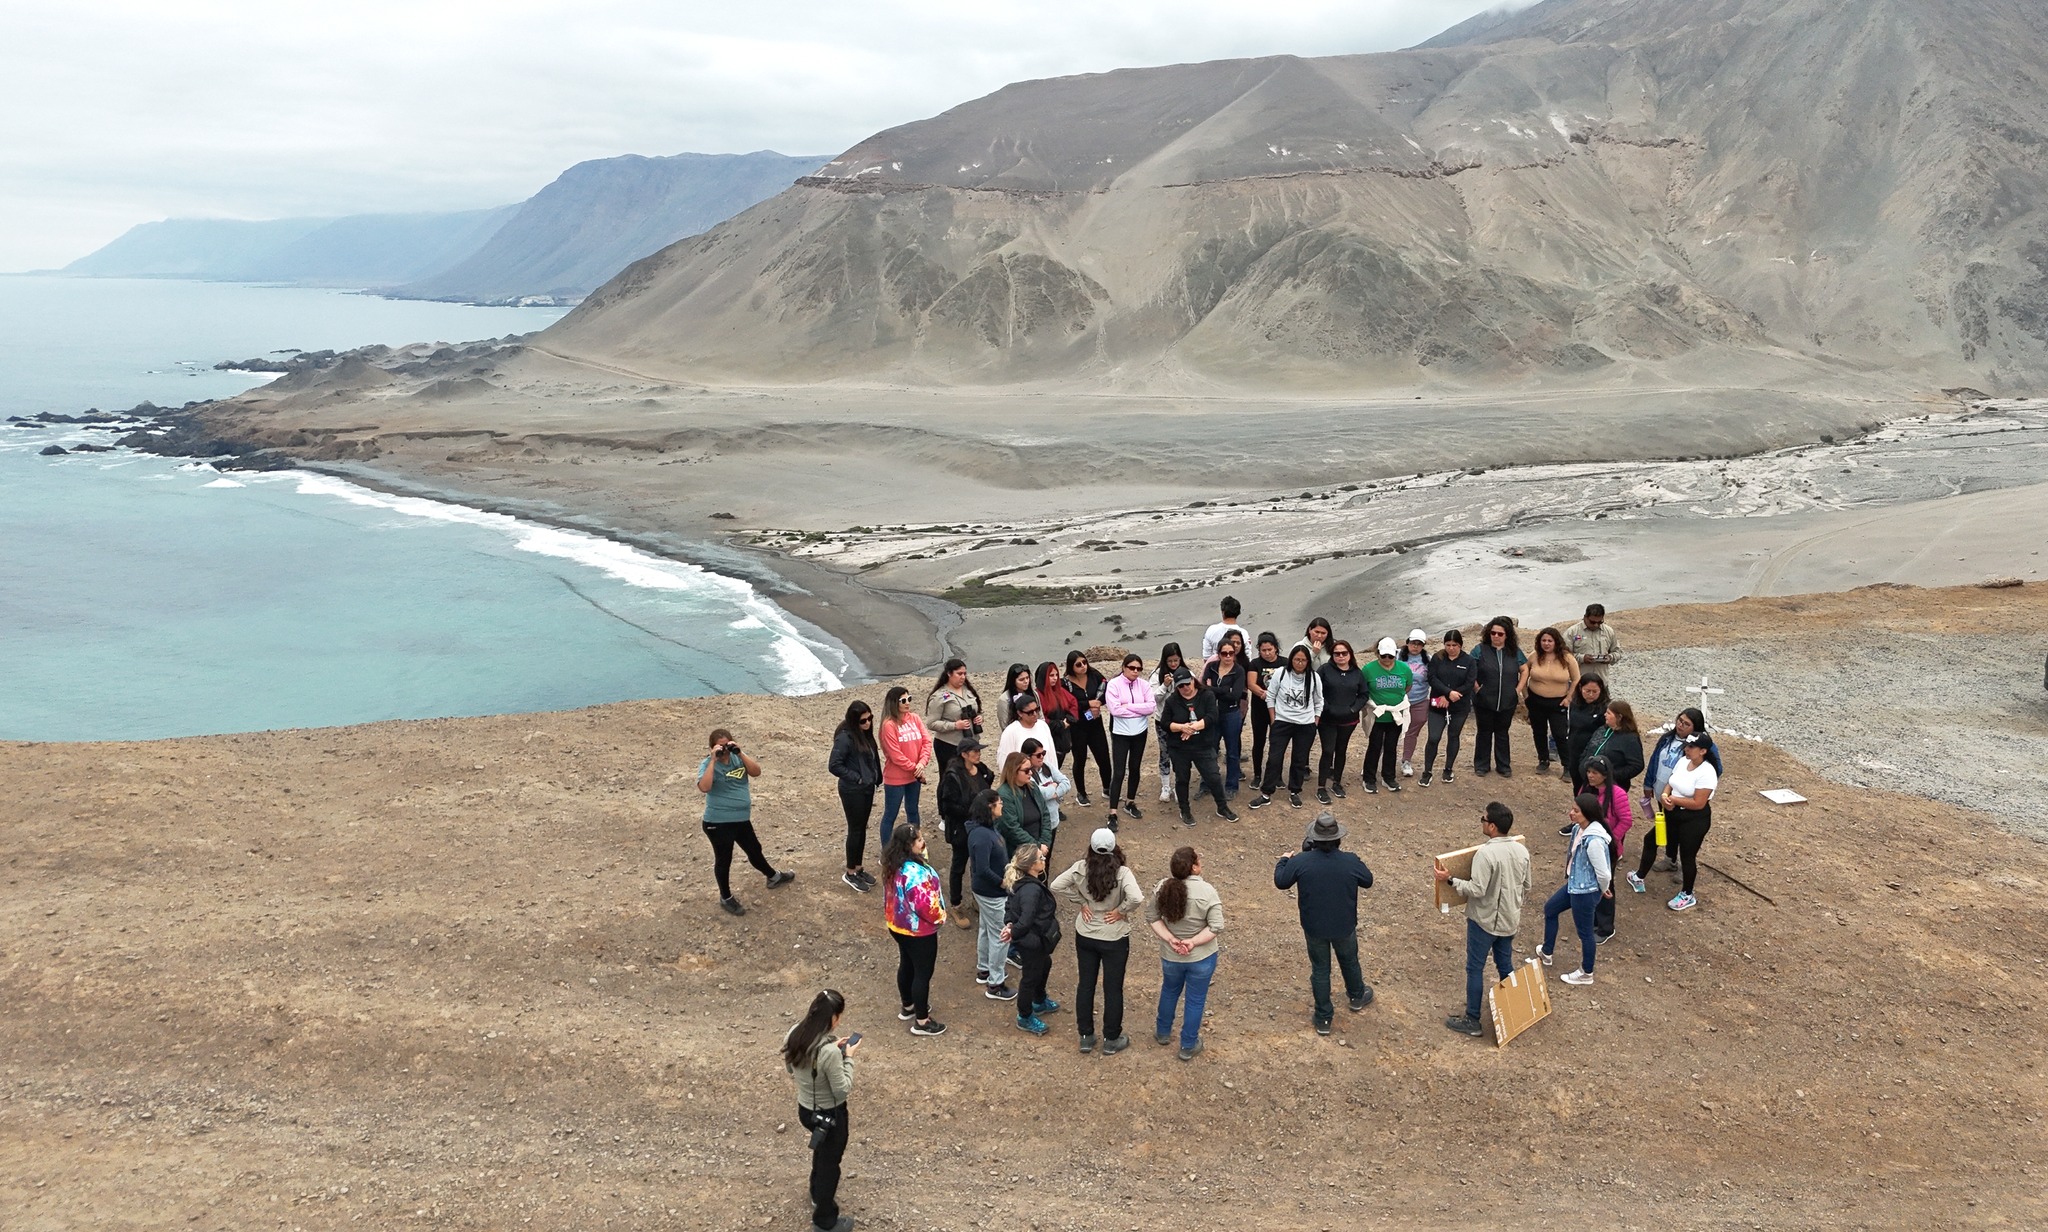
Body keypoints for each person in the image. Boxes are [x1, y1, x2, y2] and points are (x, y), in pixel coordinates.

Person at [1435, 801, 1533, 1037]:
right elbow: (1527, 885)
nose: (1482, 822)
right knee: (1505, 965)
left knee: (1475, 967)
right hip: (1510, 919)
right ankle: (1515, 1012)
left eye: (1483, 819)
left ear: (1491, 827)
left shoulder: (1486, 854)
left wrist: (1450, 880)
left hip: (1484, 921)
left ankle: (1472, 1019)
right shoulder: (1522, 851)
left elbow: (1477, 890)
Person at [1273, 811, 1376, 1035]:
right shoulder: (1350, 861)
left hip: (1314, 927)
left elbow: (1281, 882)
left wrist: (1283, 860)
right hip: (1344, 925)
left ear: (1314, 840)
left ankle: (1323, 1018)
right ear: (1338, 838)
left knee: (1320, 970)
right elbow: (1368, 881)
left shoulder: (1301, 862)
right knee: (1349, 960)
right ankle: (1357, 996)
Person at [1051, 828, 1144, 1055]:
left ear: (1091, 848)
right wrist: (1121, 911)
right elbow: (1137, 898)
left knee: (1086, 984)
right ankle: (1111, 1038)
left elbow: (1055, 885)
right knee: (1113, 989)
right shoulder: (1122, 873)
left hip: (1086, 933)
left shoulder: (1081, 868)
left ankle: (1086, 1036)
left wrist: (1081, 901)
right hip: (1114, 936)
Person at [696, 728, 795, 917]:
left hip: (741, 819)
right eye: (720, 746)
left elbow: (756, 772)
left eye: (727, 745)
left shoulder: (738, 758)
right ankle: (725, 897)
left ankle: (773, 877)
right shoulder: (707, 764)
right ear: (712, 747)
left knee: (754, 849)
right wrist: (713, 759)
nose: (724, 749)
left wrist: (740, 752)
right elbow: (704, 787)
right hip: (718, 822)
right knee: (724, 859)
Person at [782, 989, 858, 1232]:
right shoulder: (830, 1053)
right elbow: (842, 1090)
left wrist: (832, 1048)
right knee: (830, 1165)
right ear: (833, 1018)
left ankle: (816, 1192)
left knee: (822, 1152)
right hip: (831, 1114)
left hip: (806, 1110)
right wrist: (847, 1057)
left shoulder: (795, 1033)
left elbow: (791, 1070)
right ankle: (825, 1221)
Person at [1147, 845, 1225, 1062]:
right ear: (1194, 868)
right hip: (1201, 957)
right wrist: (1192, 942)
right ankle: (1188, 1045)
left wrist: (1170, 938)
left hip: (1171, 955)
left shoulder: (1163, 887)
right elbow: (1216, 926)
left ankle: (1163, 1032)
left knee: (1169, 991)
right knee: (1195, 1000)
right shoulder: (1208, 891)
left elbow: (1152, 917)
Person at [1537, 793, 1613, 987]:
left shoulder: (1594, 840)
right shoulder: (1580, 829)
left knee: (1585, 933)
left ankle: (1587, 973)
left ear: (1587, 813)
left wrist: (1602, 889)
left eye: (1576, 811)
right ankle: (1546, 952)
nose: (1571, 813)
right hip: (1575, 885)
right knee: (1550, 909)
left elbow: (1604, 873)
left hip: (1584, 892)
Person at [1639, 708, 1722, 876]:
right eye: (1680, 720)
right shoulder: (1668, 738)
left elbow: (1716, 769)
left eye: (1686, 724)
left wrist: (1696, 786)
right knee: (1669, 828)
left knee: (1686, 838)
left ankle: (1685, 868)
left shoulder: (1705, 746)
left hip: (1686, 801)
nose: (1681, 725)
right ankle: (1670, 859)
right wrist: (1650, 785)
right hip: (1665, 793)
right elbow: (1656, 760)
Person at [882, 825, 947, 1036]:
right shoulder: (915, 874)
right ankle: (922, 1020)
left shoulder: (893, 864)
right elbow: (925, 906)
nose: (923, 842)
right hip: (920, 931)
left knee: (907, 964)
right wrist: (941, 916)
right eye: (919, 840)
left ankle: (908, 1005)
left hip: (898, 926)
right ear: (910, 845)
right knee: (923, 973)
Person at [1160, 667, 1240, 825]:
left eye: (1188, 683)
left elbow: (1212, 716)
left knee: (1214, 777)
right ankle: (1185, 810)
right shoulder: (1172, 701)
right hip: (1180, 747)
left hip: (1203, 745)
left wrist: (1194, 727)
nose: (1185, 688)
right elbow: (1165, 723)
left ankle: (1222, 807)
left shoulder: (1206, 695)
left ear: (1193, 680)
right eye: (1181, 686)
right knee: (1182, 779)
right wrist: (1182, 727)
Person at [1652, 734, 1719, 912]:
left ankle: (1688, 893)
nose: (1686, 749)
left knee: (1688, 856)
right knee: (1666, 842)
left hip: (1694, 819)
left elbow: (1699, 803)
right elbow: (1671, 781)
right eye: (1686, 746)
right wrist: (1666, 795)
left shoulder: (1707, 772)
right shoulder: (1683, 761)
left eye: (1691, 747)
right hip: (1674, 813)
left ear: (1703, 751)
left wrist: (1673, 799)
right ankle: (1667, 862)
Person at [1250, 643, 1322, 809]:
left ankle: (1294, 791)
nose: (1300, 663)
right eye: (1296, 659)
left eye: (1303, 660)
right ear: (1291, 659)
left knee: (1299, 759)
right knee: (1274, 758)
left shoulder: (1314, 677)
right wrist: (1273, 719)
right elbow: (1271, 696)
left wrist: (1315, 721)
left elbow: (1319, 701)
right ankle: (1266, 792)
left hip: (1305, 724)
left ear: (1308, 662)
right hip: (1282, 722)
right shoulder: (1281, 674)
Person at [1000, 842, 1062, 1034]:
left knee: (1045, 965)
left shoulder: (1020, 883)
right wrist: (1014, 930)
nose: (1044, 860)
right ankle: (1025, 1016)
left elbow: (1009, 907)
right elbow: (1026, 919)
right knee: (1030, 976)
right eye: (1040, 858)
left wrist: (1010, 924)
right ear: (1031, 865)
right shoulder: (1031, 890)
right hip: (1032, 941)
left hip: (1033, 940)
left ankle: (1039, 1000)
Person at [935, 735, 993, 926]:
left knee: (978, 864)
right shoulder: (953, 776)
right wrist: (972, 811)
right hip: (961, 829)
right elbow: (948, 806)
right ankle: (956, 904)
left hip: (980, 827)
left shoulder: (981, 769)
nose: (979, 754)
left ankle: (977, 897)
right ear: (964, 754)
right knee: (959, 866)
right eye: (975, 751)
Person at [966, 789, 1017, 1002]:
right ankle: (995, 983)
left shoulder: (984, 830)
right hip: (992, 893)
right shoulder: (982, 836)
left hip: (987, 892)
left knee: (987, 930)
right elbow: (982, 868)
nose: (1002, 805)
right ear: (989, 807)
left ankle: (984, 969)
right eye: (999, 803)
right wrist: (1003, 882)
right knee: (1001, 935)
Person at [827, 701, 883, 894]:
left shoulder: (864, 734)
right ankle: (850, 872)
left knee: (862, 828)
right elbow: (834, 765)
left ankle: (858, 868)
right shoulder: (845, 738)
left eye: (870, 718)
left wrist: (877, 777)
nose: (868, 723)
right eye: (863, 720)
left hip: (866, 788)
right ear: (854, 721)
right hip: (853, 790)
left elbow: (873, 757)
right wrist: (857, 778)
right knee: (855, 829)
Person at [1581, 757, 1635, 943]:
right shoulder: (1586, 790)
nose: (1590, 776)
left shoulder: (1617, 794)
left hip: (1607, 849)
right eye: (1589, 772)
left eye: (1595, 773)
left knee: (1605, 885)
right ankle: (1592, 918)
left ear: (1605, 775)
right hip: (1586, 845)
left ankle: (1605, 927)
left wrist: (1609, 840)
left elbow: (1626, 820)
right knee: (1589, 882)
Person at [1470, 616, 1527, 777]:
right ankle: (1481, 765)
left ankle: (1503, 765)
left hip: (1507, 700)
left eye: (1500, 634)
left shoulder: (1514, 651)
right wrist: (1476, 688)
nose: (1496, 636)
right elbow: (1470, 667)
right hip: (1484, 700)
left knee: (1502, 733)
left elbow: (1525, 669)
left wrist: (1518, 690)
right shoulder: (1480, 649)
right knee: (1484, 732)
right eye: (1493, 633)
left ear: (1507, 635)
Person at [1104, 653, 1156, 824]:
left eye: (1139, 669)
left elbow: (1151, 707)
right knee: (1118, 771)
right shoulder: (1114, 684)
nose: (1135, 672)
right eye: (1132, 668)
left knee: (1135, 768)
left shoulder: (1144, 685)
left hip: (1140, 732)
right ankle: (1113, 812)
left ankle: (1130, 802)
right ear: (1123, 668)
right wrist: (1138, 710)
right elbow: (1115, 710)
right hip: (1121, 733)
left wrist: (1130, 707)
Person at [877, 686, 932, 847]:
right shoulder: (889, 725)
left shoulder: (914, 718)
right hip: (896, 778)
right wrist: (916, 768)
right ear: (894, 703)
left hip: (914, 775)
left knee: (913, 810)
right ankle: (887, 852)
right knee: (891, 814)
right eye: (903, 700)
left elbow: (926, 741)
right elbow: (895, 755)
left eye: (909, 699)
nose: (907, 703)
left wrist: (921, 764)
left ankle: (916, 847)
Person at [1360, 636, 1414, 794]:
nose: (1387, 659)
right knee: (1375, 746)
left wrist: (1394, 702)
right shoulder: (1369, 669)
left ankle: (1388, 777)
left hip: (1395, 714)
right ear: (1377, 654)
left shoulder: (1404, 669)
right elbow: (1364, 689)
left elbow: (1407, 686)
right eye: (1383, 656)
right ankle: (1369, 778)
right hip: (1377, 715)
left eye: (1391, 656)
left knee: (1392, 746)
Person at [1314, 639, 1366, 804]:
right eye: (1337, 653)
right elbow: (1317, 692)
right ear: (1332, 655)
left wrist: (1353, 709)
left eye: (1344, 653)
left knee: (1341, 750)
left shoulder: (1357, 673)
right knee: (1328, 751)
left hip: (1348, 720)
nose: (1341, 656)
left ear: (1350, 654)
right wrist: (1327, 708)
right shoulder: (1324, 670)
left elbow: (1363, 694)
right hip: (1327, 719)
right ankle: (1321, 787)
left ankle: (1337, 782)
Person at [1420, 630, 1474, 787]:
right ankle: (1427, 771)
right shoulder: (1438, 658)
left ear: (1460, 645)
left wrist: (1453, 695)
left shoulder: (1469, 661)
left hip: (1459, 706)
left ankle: (1448, 768)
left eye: (1454, 645)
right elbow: (1432, 678)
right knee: (1433, 738)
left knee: (1453, 736)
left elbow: (1470, 683)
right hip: (1438, 704)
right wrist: (1447, 692)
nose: (1451, 648)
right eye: (1448, 645)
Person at [1524, 626, 1579, 776]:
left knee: (1560, 734)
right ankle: (1543, 760)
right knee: (1538, 732)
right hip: (1535, 700)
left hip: (1558, 703)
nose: (1546, 644)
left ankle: (1567, 766)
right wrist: (1525, 696)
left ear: (1556, 642)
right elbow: (1523, 674)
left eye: (1550, 640)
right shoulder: (1534, 656)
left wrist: (1569, 698)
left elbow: (1576, 679)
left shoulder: (1567, 658)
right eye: (1543, 640)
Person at [1202, 632, 1250, 797]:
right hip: (1212, 714)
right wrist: (1223, 691)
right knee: (1210, 749)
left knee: (1232, 751)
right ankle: (1207, 784)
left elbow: (1235, 695)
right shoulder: (1211, 667)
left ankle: (1231, 786)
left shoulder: (1239, 671)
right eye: (1224, 653)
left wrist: (1212, 690)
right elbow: (1202, 689)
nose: (1228, 656)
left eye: (1231, 653)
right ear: (1219, 653)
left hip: (1231, 714)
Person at [1063, 651, 1113, 806]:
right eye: (1078, 664)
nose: (1083, 666)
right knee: (1080, 759)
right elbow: (1066, 704)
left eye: (1084, 662)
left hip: (1095, 723)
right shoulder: (1065, 683)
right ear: (1071, 667)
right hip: (1077, 726)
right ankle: (1081, 793)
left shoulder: (1094, 675)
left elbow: (1107, 690)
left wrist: (1098, 703)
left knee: (1104, 757)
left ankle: (1107, 788)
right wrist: (1087, 704)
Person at [1573, 699, 1645, 796]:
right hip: (1588, 783)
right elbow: (1588, 747)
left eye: (1608, 713)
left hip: (1611, 788)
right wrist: (1583, 764)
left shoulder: (1630, 739)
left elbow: (1637, 765)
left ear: (1619, 717)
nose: (1604, 715)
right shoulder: (1602, 729)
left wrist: (1609, 775)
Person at [923, 659, 983, 773]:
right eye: (959, 674)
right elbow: (931, 723)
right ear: (949, 674)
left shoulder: (968, 690)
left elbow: (977, 709)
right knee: (951, 778)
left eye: (965, 674)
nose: (963, 677)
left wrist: (979, 718)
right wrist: (955, 725)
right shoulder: (939, 696)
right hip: (949, 745)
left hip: (971, 742)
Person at [1246, 632, 1284, 789]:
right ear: (1259, 650)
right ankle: (1257, 775)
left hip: (1280, 709)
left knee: (1278, 743)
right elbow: (1251, 683)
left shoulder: (1285, 663)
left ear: (1276, 648)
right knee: (1259, 742)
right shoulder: (1255, 664)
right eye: (1263, 650)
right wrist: (1264, 694)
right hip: (1260, 709)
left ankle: (1277, 775)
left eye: (1270, 649)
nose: (1267, 653)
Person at [1561, 676, 1612, 793]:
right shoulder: (1574, 703)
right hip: (1574, 750)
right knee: (1577, 785)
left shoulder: (1605, 709)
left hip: (1593, 753)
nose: (1591, 694)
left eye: (1595, 691)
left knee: (1592, 787)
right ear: (1580, 688)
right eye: (1587, 691)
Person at [1025, 738, 1073, 859]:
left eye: (1043, 753)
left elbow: (1066, 783)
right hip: (1038, 824)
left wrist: (1052, 792)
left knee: (1047, 857)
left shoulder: (1047, 766)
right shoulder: (1026, 774)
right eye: (1038, 755)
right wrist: (1054, 787)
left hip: (1053, 820)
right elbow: (1039, 794)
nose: (1042, 757)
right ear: (1028, 756)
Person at [995, 751, 1051, 853]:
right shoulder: (1004, 795)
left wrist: (1045, 842)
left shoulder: (1033, 787)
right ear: (1014, 771)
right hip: (1018, 852)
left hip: (1040, 847)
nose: (1030, 773)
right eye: (1026, 770)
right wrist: (1037, 847)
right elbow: (1011, 828)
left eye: (1031, 769)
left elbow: (1045, 814)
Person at [1152, 643, 1188, 803]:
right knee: (1165, 753)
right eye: (1170, 661)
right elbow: (1153, 698)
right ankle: (1165, 786)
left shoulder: (1187, 673)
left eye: (1176, 660)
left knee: (1181, 754)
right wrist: (1164, 686)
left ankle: (1179, 785)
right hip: (1163, 721)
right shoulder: (1157, 674)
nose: (1173, 664)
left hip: (1182, 722)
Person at [1399, 630, 1431, 777]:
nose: (1415, 646)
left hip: (1419, 700)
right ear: (1407, 642)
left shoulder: (1428, 660)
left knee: (1412, 732)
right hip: (1398, 701)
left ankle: (1406, 760)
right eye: (1413, 643)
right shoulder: (1397, 656)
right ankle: (1377, 760)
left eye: (1419, 644)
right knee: (1389, 731)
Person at [1035, 660, 1078, 770]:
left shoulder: (1060, 691)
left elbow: (1073, 703)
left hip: (1062, 739)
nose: (1055, 678)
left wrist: (1069, 719)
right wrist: (1060, 725)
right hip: (1049, 738)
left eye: (1056, 675)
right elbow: (1041, 718)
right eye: (1051, 675)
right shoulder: (1038, 695)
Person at [1565, 603, 1621, 686]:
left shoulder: (1609, 632)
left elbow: (1618, 652)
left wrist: (1610, 657)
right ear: (1585, 617)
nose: (1596, 625)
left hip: (1601, 683)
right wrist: (1582, 658)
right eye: (1592, 622)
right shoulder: (1572, 632)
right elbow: (1564, 656)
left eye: (1600, 622)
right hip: (1578, 683)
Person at [995, 691, 1054, 769]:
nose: (1035, 714)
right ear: (1020, 713)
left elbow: (1051, 755)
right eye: (1030, 712)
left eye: (1037, 710)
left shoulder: (1043, 726)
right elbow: (1004, 759)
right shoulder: (1010, 731)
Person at [1201, 594, 1251, 661]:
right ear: (1238, 613)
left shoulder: (1211, 630)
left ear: (1223, 612)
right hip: (1238, 669)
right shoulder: (1244, 633)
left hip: (1215, 668)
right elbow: (1247, 657)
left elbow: (1206, 658)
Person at [994, 663, 1034, 731]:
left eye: (1027, 678)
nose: (1026, 681)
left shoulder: (1033, 694)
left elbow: (1040, 716)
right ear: (1013, 681)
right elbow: (1004, 725)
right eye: (1021, 679)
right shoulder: (1004, 699)